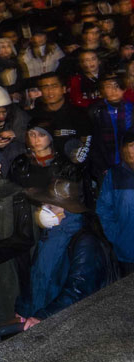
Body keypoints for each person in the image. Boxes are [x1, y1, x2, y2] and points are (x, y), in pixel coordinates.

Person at [15, 179, 111, 330]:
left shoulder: (85, 242)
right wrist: (23, 309)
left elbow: (78, 290)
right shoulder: (50, 235)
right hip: (43, 318)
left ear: (67, 210)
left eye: (50, 206)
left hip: (65, 323)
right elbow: (35, 276)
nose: (43, 210)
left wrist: (44, 316)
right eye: (43, 205)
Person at [95, 131, 134, 277]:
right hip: (127, 251)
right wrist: (116, 236)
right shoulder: (115, 175)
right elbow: (103, 209)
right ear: (125, 148)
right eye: (132, 145)